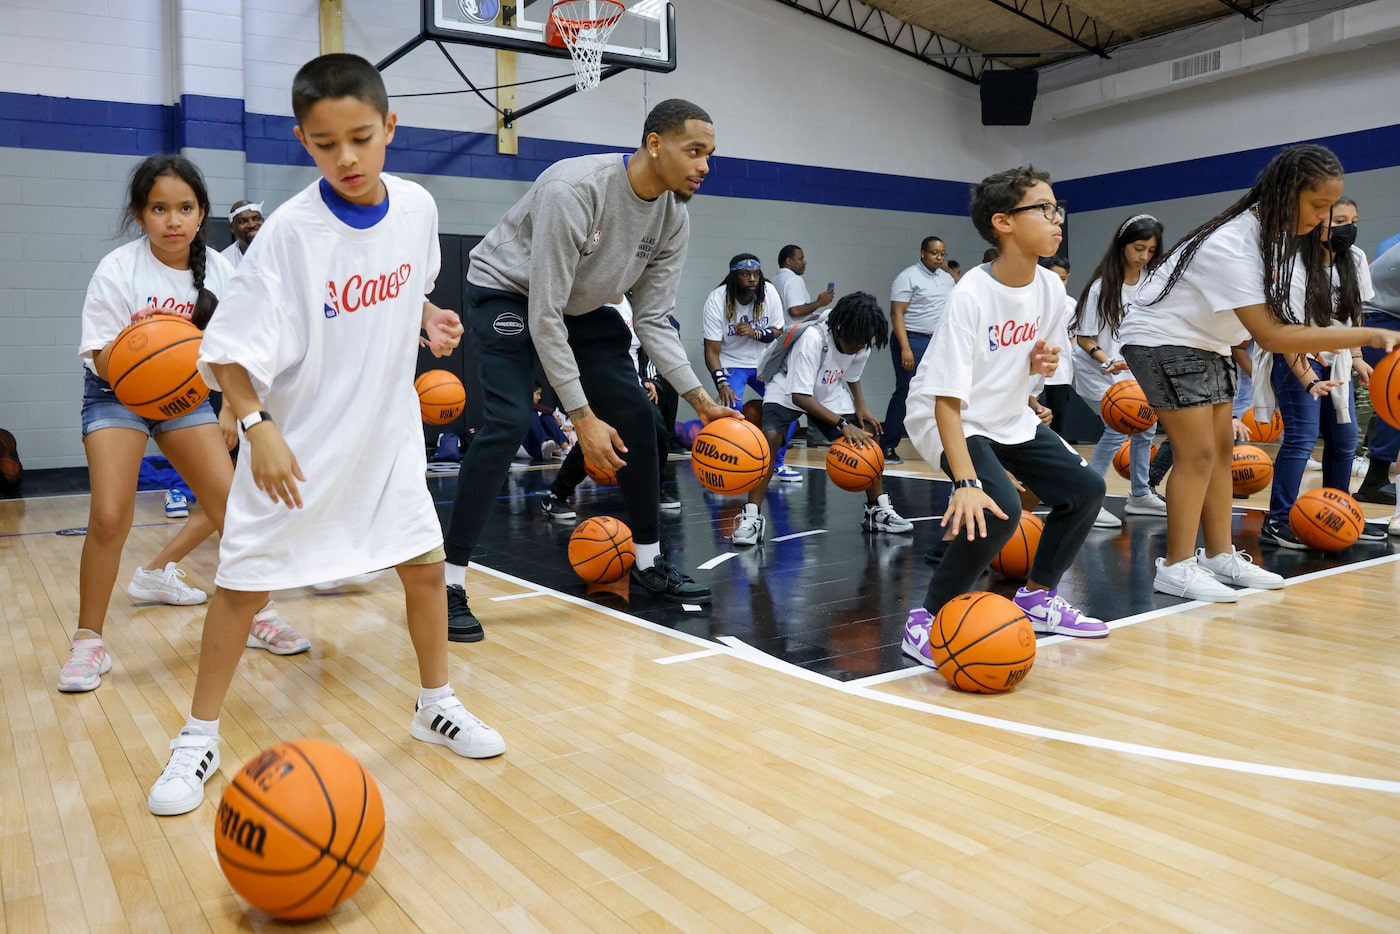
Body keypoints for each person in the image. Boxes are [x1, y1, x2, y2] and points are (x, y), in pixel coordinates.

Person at [146, 53, 504, 817]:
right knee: (243, 587)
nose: (344, 157)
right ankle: (197, 737)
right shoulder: (288, 236)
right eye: (323, 142)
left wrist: (429, 320)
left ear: (390, 129)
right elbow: (229, 354)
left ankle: (434, 702)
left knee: (423, 568)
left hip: (385, 438)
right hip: (295, 449)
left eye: (360, 138)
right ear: (304, 142)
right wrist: (256, 426)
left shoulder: (416, 207)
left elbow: (409, 294)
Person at [443, 98, 732, 641]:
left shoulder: (674, 216)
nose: (703, 166)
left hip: (579, 305)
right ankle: (451, 580)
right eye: (694, 151)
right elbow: (543, 312)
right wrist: (581, 416)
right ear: (654, 144)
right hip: (507, 292)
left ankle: (648, 563)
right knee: (505, 424)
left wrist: (699, 399)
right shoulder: (573, 190)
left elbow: (651, 318)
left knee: (641, 419)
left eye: (709, 155)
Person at [1118, 144, 1400, 602]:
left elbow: (1287, 325)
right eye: (1320, 206)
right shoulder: (1233, 241)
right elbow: (1270, 336)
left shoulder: (1280, 241)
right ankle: (1175, 566)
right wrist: (1362, 336)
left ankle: (1218, 555)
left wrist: (1312, 373)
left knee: (1223, 452)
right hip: (1161, 338)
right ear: (1288, 193)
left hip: (1206, 340)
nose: (1326, 219)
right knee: (1199, 454)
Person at [64, 154, 302, 694]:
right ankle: (87, 641)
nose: (173, 220)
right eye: (159, 208)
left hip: (188, 397)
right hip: (116, 392)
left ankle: (258, 610)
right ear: (139, 214)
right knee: (108, 514)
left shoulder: (221, 271)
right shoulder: (118, 269)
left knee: (230, 509)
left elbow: (233, 353)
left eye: (185, 208)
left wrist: (225, 410)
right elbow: (99, 353)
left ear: (201, 215)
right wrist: (142, 358)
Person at [902, 166, 1111, 653]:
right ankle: (926, 618)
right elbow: (946, 401)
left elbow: (1030, 365)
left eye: (1056, 207)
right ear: (1004, 222)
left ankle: (1038, 599)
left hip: (1007, 413)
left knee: (1085, 490)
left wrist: (1038, 367)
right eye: (1043, 208)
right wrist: (966, 483)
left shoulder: (1051, 290)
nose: (1056, 218)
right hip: (949, 416)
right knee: (999, 510)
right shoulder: (970, 295)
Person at [730, 292, 914, 546]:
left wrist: (861, 406)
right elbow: (800, 397)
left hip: (826, 390)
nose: (859, 347)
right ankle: (752, 516)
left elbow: (852, 374)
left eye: (863, 343)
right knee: (770, 440)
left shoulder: (863, 336)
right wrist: (842, 423)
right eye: (855, 342)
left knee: (866, 440)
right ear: (840, 328)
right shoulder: (813, 339)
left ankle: (877, 510)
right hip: (787, 387)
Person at [1259, 197, 1387, 545]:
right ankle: (1277, 522)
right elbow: (1287, 335)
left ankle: (1340, 515)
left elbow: (1353, 312)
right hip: (1297, 353)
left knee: (1344, 440)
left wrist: (1358, 356)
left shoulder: (1355, 258)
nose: (1349, 228)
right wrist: (1309, 378)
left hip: (1339, 355)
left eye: (1353, 220)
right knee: (1302, 437)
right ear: (1316, 225)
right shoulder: (1293, 266)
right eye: (1340, 220)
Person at [542, 294, 681, 519]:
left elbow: (651, 346)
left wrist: (651, 380)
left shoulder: (635, 303)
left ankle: (655, 490)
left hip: (631, 383)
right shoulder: (589, 300)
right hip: (597, 379)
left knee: (658, 432)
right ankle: (557, 495)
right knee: (599, 436)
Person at [1071, 215, 1168, 529]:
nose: (1143, 256)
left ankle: (1140, 494)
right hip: (1094, 367)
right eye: (1139, 248)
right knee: (1118, 426)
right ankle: (1089, 500)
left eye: (1151, 251)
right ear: (1122, 246)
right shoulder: (1102, 287)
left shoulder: (1152, 283)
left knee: (1146, 426)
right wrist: (1105, 360)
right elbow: (1084, 337)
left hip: (1131, 366)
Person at [701, 254, 798, 478]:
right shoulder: (717, 299)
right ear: (735, 276)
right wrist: (722, 383)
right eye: (746, 274)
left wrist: (755, 333)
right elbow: (711, 352)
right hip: (731, 362)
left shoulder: (769, 292)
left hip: (764, 362)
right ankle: (724, 469)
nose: (752, 279)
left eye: (756, 274)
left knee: (788, 406)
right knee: (731, 412)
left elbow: (778, 330)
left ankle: (776, 462)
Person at [881, 237, 956, 465]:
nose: (939, 257)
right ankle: (887, 445)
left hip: (938, 342)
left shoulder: (947, 279)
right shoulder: (908, 277)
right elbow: (897, 314)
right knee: (906, 391)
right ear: (923, 253)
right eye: (934, 253)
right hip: (912, 340)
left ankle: (938, 446)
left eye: (942, 253)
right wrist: (905, 348)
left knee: (939, 392)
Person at [770, 244, 834, 468]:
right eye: (800, 258)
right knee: (808, 392)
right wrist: (820, 303)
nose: (804, 261)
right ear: (789, 261)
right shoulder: (793, 280)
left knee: (783, 401)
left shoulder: (776, 280)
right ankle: (782, 457)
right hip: (798, 343)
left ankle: (775, 458)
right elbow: (795, 311)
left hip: (782, 345)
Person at [1357, 234, 1400, 508]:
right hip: (1376, 319)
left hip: (1384, 317)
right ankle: (1374, 480)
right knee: (1397, 399)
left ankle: (1375, 478)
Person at [1038, 257, 1076, 440]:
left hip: (1060, 374)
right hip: (1035, 374)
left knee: (1057, 424)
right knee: (1034, 422)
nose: (1058, 283)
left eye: (1063, 278)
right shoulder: (1034, 300)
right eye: (1053, 277)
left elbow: (1073, 336)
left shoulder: (1071, 304)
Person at [219, 200, 263, 268]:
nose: (251, 225)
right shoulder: (223, 261)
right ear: (232, 228)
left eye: (256, 219)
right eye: (242, 221)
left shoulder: (280, 251)